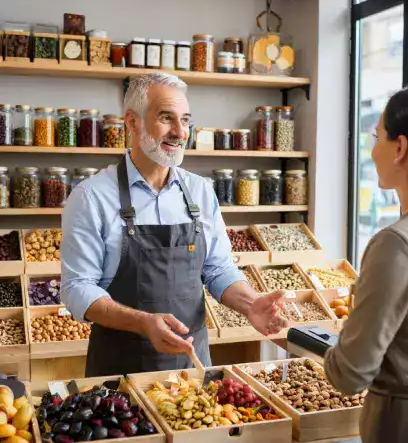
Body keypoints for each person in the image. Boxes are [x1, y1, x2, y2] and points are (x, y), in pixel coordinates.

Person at [61, 73, 287, 377]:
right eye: (166, 118)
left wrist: (251, 305)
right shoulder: (91, 196)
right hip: (119, 374)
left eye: (186, 120)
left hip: (191, 367)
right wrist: (143, 322)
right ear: (132, 121)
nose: (180, 132)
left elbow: (218, 269)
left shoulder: (200, 191)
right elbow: (77, 289)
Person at [324, 85, 408, 443]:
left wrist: (344, 334)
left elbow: (350, 375)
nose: (372, 147)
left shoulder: (398, 244)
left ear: (401, 148)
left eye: (376, 135)